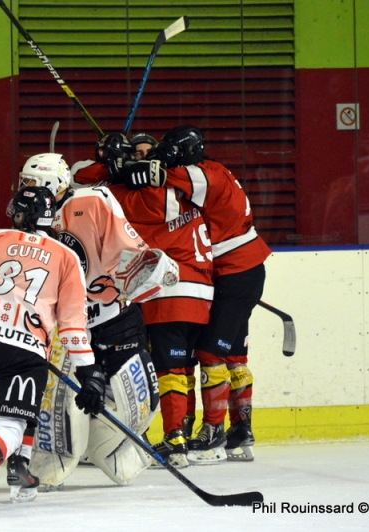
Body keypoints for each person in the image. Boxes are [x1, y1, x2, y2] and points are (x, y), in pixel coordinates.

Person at [0, 186, 105, 513]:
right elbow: (72, 322)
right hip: (24, 346)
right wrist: (88, 371)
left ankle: (20, 467)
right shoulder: (67, 256)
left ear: (22, 215)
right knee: (13, 419)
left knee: (21, 401)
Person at [18, 153, 176, 487]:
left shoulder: (91, 201)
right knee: (59, 406)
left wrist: (145, 268)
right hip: (69, 330)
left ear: (52, 182)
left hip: (115, 317)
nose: (25, 189)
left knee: (139, 402)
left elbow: (128, 250)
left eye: (30, 181)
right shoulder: (28, 215)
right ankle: (51, 465)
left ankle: (112, 449)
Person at [122, 125, 271, 462]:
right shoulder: (214, 171)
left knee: (209, 354)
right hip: (239, 271)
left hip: (234, 273)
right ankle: (240, 431)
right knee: (234, 355)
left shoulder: (201, 176)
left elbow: (157, 178)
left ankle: (215, 433)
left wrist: (125, 166)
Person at [72, 133, 214, 468]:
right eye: (136, 153)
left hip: (168, 291)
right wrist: (116, 166)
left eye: (149, 155)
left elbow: (81, 184)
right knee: (180, 369)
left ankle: (173, 438)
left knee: (162, 369)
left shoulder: (141, 195)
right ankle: (184, 434)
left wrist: (117, 174)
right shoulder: (183, 187)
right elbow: (80, 173)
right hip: (198, 292)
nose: (142, 159)